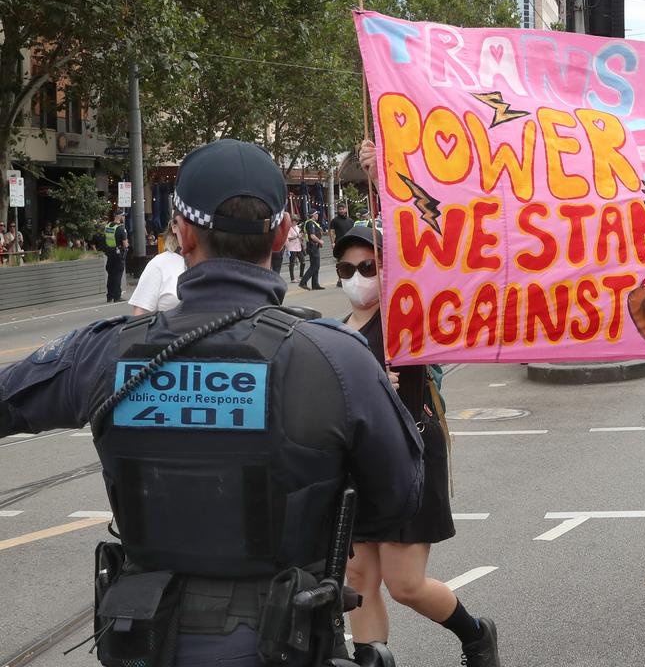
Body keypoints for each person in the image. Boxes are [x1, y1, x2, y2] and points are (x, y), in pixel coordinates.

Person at [0, 138, 424, 666]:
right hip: (284, 642)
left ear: (180, 231)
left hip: (145, 639)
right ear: (283, 232)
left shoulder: (107, 350)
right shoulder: (338, 358)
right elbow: (398, 498)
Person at [334, 225, 502, 667]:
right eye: (346, 268)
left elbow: (445, 286)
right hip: (355, 467)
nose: (357, 276)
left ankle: (476, 634)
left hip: (407, 462)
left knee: (405, 584)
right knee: (358, 578)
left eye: (368, 266)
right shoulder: (336, 332)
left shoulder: (408, 320)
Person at [128, 218, 187, 315]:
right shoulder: (159, 264)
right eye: (187, 222)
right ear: (174, 226)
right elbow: (140, 313)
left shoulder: (216, 262)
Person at [103, 210, 129, 302]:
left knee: (110, 275)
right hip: (118, 255)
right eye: (123, 216)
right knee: (117, 276)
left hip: (110, 254)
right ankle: (117, 297)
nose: (124, 217)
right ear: (119, 217)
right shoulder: (121, 229)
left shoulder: (107, 227)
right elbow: (125, 244)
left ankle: (109, 296)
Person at [300, 209, 323, 290]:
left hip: (314, 246)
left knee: (316, 266)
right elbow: (312, 236)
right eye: (316, 214)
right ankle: (303, 282)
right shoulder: (310, 223)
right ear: (313, 215)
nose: (318, 215)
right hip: (312, 246)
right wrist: (320, 241)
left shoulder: (312, 223)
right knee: (315, 265)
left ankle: (315, 284)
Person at [286, 215, 303, 282]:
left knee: (303, 261)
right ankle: (292, 278)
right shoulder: (289, 228)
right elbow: (288, 238)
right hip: (292, 247)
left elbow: (300, 236)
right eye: (295, 221)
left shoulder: (297, 227)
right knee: (292, 263)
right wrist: (296, 236)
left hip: (298, 246)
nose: (296, 223)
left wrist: (301, 236)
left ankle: (301, 276)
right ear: (292, 221)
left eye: (297, 221)